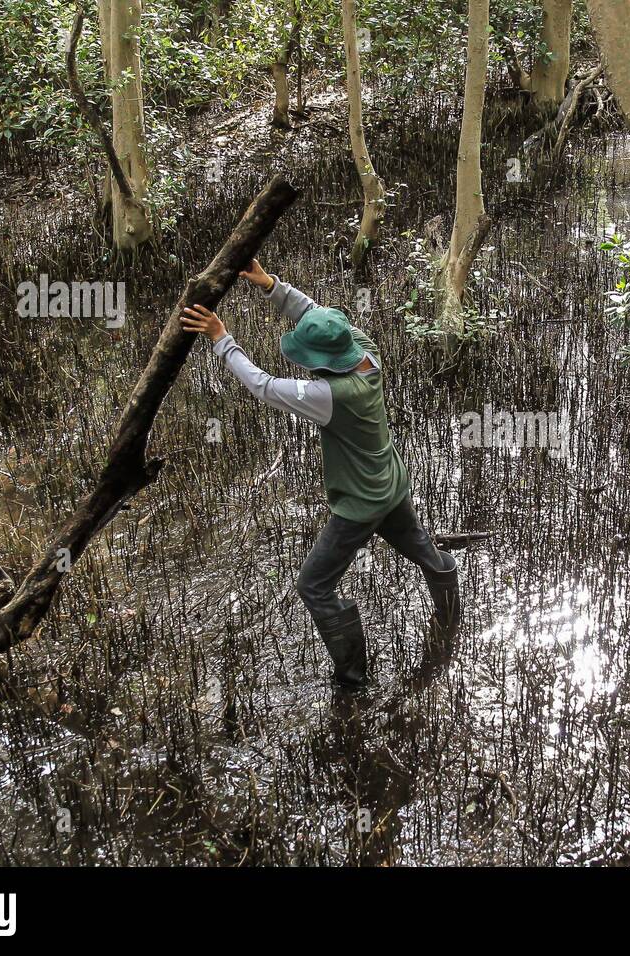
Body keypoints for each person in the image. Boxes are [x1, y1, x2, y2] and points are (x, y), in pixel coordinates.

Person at [179, 260, 459, 689]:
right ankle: (450, 613)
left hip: (361, 505)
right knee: (423, 552)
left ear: (323, 362)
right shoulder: (367, 352)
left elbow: (265, 387)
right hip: (391, 482)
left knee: (314, 586)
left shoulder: (330, 396)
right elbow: (317, 315)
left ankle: (352, 680)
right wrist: (270, 284)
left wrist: (222, 339)